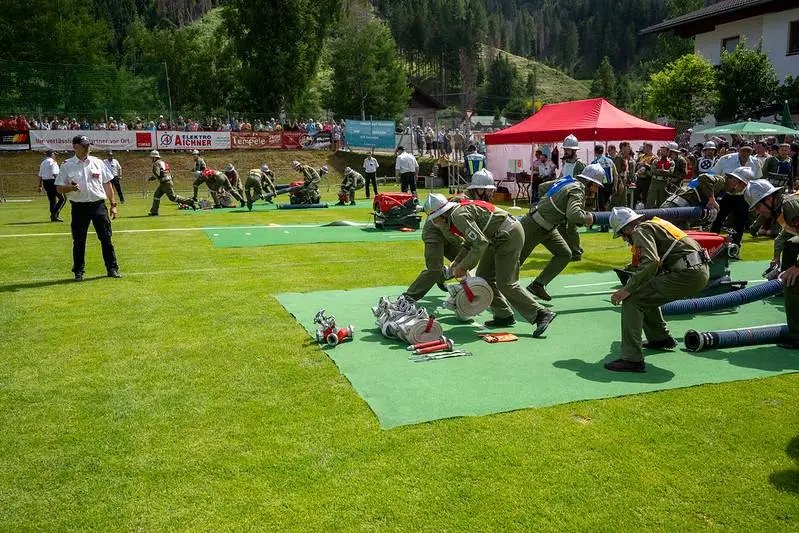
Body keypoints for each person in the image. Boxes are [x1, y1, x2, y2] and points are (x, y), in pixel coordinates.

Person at [423, 193, 556, 337]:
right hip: (497, 236)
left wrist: (463, 267)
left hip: (508, 235)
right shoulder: (456, 213)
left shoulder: (457, 216)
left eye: (435, 218)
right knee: (484, 276)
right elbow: (470, 241)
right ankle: (503, 315)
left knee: (506, 283)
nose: (435, 223)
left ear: (442, 214)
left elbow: (479, 243)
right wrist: (457, 261)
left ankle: (541, 313)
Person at [605, 207, 710, 372]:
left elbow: (652, 261)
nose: (626, 240)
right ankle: (660, 339)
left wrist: (627, 288)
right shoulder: (655, 224)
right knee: (646, 293)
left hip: (687, 274)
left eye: (623, 236)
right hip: (697, 271)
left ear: (626, 229)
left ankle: (632, 359)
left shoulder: (639, 230)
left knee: (633, 300)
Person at [519, 164, 603, 301]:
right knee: (515, 262)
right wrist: (587, 218)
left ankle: (538, 284)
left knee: (565, 254)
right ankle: (496, 290)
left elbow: (542, 187)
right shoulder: (578, 190)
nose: (597, 190)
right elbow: (574, 215)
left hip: (545, 225)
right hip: (535, 226)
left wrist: (547, 206)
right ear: (590, 183)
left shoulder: (568, 180)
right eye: (596, 186)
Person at [54, 135, 121, 281]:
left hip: (98, 206)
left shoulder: (98, 162)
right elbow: (59, 188)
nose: (87, 148)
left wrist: (113, 205)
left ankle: (112, 269)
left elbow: (107, 184)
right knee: (79, 240)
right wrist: (70, 188)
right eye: (83, 145)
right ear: (75, 147)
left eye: (88, 145)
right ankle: (78, 271)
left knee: (106, 239)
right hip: (79, 208)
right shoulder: (67, 165)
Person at [744, 179, 799, 349]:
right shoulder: (783, 210)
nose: (758, 211)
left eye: (758, 206)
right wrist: (778, 258)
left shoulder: (791, 207)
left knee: (793, 281)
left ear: (768, 199)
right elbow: (785, 236)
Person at [710, 141, 763, 256]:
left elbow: (757, 179)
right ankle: (711, 247)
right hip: (725, 195)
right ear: (739, 149)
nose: (746, 153)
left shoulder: (755, 162)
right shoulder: (725, 159)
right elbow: (713, 175)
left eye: (749, 150)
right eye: (744, 150)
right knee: (717, 220)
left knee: (740, 223)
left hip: (743, 197)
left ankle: (735, 249)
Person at [147, 150, 197, 215]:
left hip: (165, 183)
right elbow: (169, 173)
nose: (151, 159)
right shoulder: (164, 163)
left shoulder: (156, 164)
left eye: (152, 157)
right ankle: (154, 211)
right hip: (166, 182)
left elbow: (158, 174)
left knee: (172, 198)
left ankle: (190, 202)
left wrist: (151, 178)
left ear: (155, 157)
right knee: (156, 196)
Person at [38, 149, 65, 222]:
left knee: (52, 200)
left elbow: (40, 175)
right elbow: (55, 174)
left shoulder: (43, 162)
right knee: (62, 199)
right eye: (54, 154)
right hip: (53, 182)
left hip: (45, 182)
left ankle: (53, 216)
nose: (54, 155)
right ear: (52, 154)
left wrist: (40, 185)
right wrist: (60, 183)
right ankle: (54, 214)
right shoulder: (53, 162)